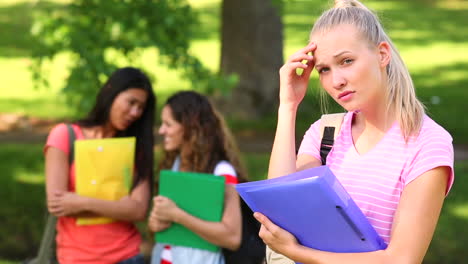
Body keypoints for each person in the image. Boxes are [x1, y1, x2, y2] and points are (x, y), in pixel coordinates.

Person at [254, 0, 455, 263]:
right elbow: (279, 208)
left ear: (382, 54)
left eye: (346, 61)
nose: (336, 81)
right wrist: (288, 105)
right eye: (324, 69)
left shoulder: (428, 144)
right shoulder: (326, 133)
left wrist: (296, 253)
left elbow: (401, 259)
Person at [44, 67, 156, 264]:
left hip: (127, 255)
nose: (135, 112)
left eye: (141, 108)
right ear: (111, 91)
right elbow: (58, 204)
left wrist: (81, 202)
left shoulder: (135, 148)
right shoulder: (65, 135)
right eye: (131, 103)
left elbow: (138, 211)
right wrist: (119, 206)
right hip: (76, 258)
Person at [148, 91, 247, 264]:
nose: (162, 131)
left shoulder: (222, 172)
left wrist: (177, 215)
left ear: (189, 127)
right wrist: (155, 223)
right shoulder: (175, 165)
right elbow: (162, 228)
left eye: (168, 124)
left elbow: (232, 237)